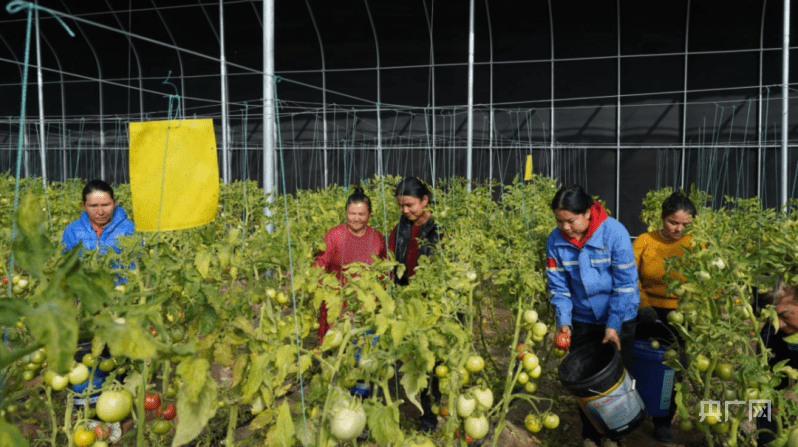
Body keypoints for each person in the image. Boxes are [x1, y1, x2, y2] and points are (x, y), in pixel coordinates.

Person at [545, 185, 639, 447]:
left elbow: (625, 286)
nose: (564, 227)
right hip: (583, 318)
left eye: (570, 220)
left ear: (587, 213)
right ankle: (590, 434)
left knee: (615, 380)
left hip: (619, 316)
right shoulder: (555, 240)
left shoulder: (614, 233)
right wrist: (564, 323)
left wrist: (613, 326)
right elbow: (559, 287)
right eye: (559, 220)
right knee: (584, 381)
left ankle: (615, 436)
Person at [633, 191, 696, 442]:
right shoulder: (644, 241)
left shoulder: (695, 245)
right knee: (639, 362)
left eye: (684, 225)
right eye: (673, 222)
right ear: (662, 218)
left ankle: (663, 419)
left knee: (672, 370)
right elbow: (628, 276)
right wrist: (644, 304)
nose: (678, 229)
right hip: (645, 313)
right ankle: (636, 411)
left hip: (680, 316)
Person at [388, 177, 441, 433]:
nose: (405, 211)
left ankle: (430, 418)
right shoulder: (399, 229)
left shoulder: (439, 228)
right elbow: (390, 261)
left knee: (432, 361)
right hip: (408, 303)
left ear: (424, 201)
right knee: (415, 360)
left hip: (434, 304)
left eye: (409, 205)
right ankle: (421, 408)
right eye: (400, 206)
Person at [313, 186, 387, 344]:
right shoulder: (335, 235)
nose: (356, 218)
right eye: (352, 214)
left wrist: (379, 294)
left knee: (362, 348)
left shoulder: (377, 238)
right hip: (338, 302)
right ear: (346, 213)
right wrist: (313, 282)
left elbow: (383, 270)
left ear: (369, 215)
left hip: (365, 303)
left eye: (362, 214)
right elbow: (321, 263)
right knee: (337, 349)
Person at [62, 179, 135, 283]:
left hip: (119, 295)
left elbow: (136, 267)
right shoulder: (73, 230)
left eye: (106, 205)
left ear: (114, 203)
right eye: (93, 206)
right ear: (84, 206)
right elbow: (65, 267)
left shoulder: (128, 229)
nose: (100, 212)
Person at [756, 280, 798, 445]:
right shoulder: (771, 333)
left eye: (784, 314)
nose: (778, 324)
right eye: (772, 317)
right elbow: (766, 392)